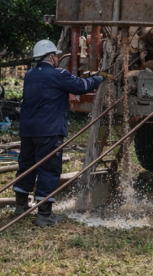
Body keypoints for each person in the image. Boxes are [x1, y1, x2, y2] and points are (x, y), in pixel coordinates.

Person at [15, 39, 107, 227]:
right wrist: (100, 77)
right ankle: (44, 215)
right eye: (56, 56)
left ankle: (20, 207)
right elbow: (82, 86)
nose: (58, 59)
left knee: (26, 166)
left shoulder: (30, 75)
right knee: (49, 169)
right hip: (49, 131)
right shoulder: (59, 74)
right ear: (51, 57)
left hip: (27, 130)